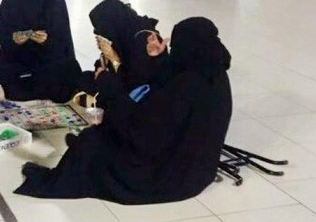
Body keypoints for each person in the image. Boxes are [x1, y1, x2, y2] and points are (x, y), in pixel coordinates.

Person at [15, 17, 232, 205]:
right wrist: (159, 58)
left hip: (169, 175)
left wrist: (108, 86)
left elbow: (143, 132)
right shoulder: (213, 73)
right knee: (100, 133)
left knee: (92, 143)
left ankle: (61, 179)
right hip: (199, 171)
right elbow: (165, 93)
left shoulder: (187, 86)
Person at [76, 0, 170, 108]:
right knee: (83, 78)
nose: (99, 34)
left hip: (141, 96)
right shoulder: (124, 32)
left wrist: (114, 60)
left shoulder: (143, 41)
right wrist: (104, 60)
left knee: (103, 87)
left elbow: (132, 85)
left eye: (101, 30)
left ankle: (99, 102)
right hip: (123, 80)